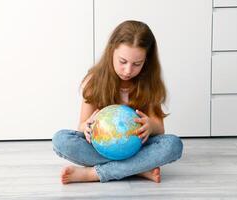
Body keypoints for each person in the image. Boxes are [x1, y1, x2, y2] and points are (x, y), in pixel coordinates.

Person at [52, 20, 183, 184]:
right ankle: (139, 169)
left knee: (173, 145)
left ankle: (93, 174)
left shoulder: (149, 83)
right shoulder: (94, 81)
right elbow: (81, 125)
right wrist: (87, 127)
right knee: (61, 140)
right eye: (123, 62)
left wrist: (150, 125)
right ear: (111, 52)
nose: (128, 70)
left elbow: (160, 128)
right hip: (103, 147)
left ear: (146, 60)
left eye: (137, 64)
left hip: (137, 147)